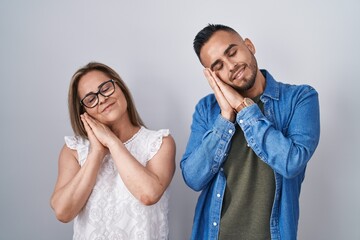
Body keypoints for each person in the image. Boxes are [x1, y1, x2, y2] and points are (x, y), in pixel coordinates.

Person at [180, 24, 320, 240]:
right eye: (218, 65)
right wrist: (226, 116)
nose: (231, 66)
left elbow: (291, 162)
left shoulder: (300, 98)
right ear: (211, 75)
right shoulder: (207, 109)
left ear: (249, 45)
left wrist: (243, 109)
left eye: (232, 52)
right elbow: (193, 178)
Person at [50, 62, 176, 240]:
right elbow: (63, 212)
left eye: (105, 88)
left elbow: (148, 194)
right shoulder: (74, 150)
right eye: (90, 99)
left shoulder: (159, 143)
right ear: (83, 111)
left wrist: (112, 142)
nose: (101, 99)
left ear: (120, 87)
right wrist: (96, 153)